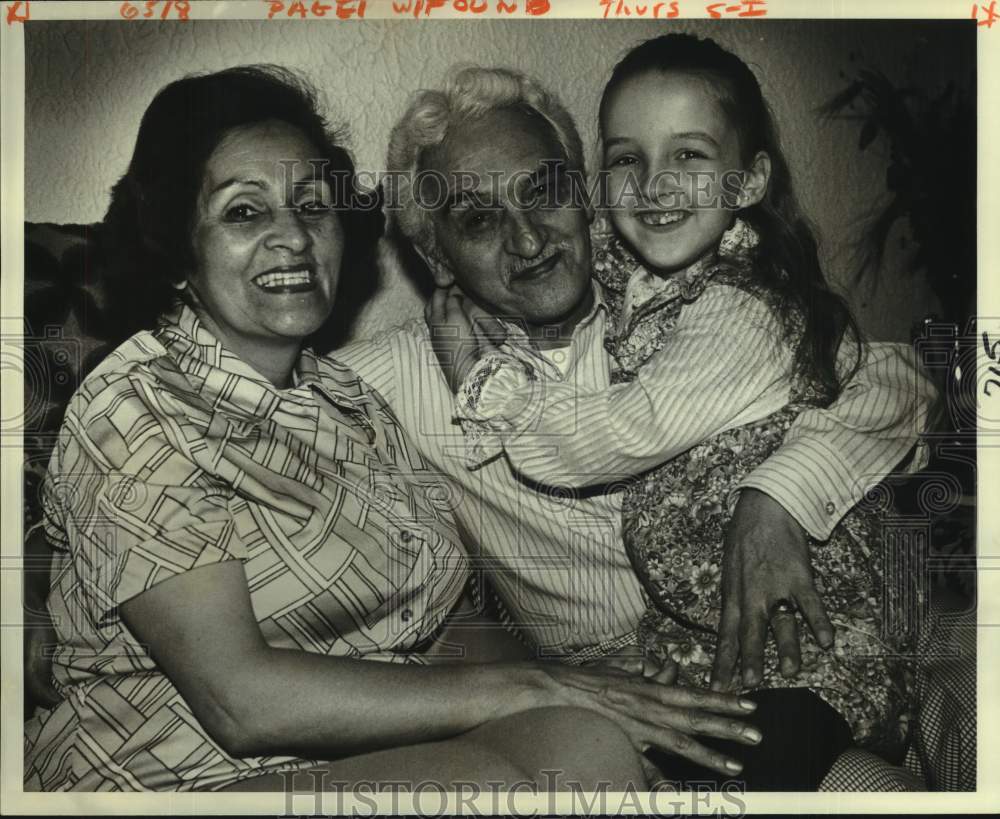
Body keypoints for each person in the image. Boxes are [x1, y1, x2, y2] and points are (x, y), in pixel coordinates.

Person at [22, 64, 766, 793]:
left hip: (365, 755)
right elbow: (240, 701)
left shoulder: (352, 400)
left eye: (312, 207)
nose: (292, 238)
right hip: (178, 775)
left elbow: (441, 621)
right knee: (582, 763)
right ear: (176, 248)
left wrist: (582, 683)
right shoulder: (138, 403)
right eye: (244, 212)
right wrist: (536, 685)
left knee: (600, 745)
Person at [435, 37, 925, 790]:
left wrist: (481, 378)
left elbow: (609, 437)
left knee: (776, 757)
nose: (655, 185)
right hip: (705, 643)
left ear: (752, 177)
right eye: (628, 159)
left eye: (689, 156)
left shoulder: (735, 310)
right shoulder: (638, 272)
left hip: (804, 630)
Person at [339, 64, 932, 683]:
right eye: (479, 220)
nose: (528, 239)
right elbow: (254, 404)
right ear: (436, 256)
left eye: (543, 192)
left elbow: (901, 376)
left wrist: (782, 495)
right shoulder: (399, 376)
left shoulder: (668, 284)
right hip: (639, 691)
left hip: (826, 618)